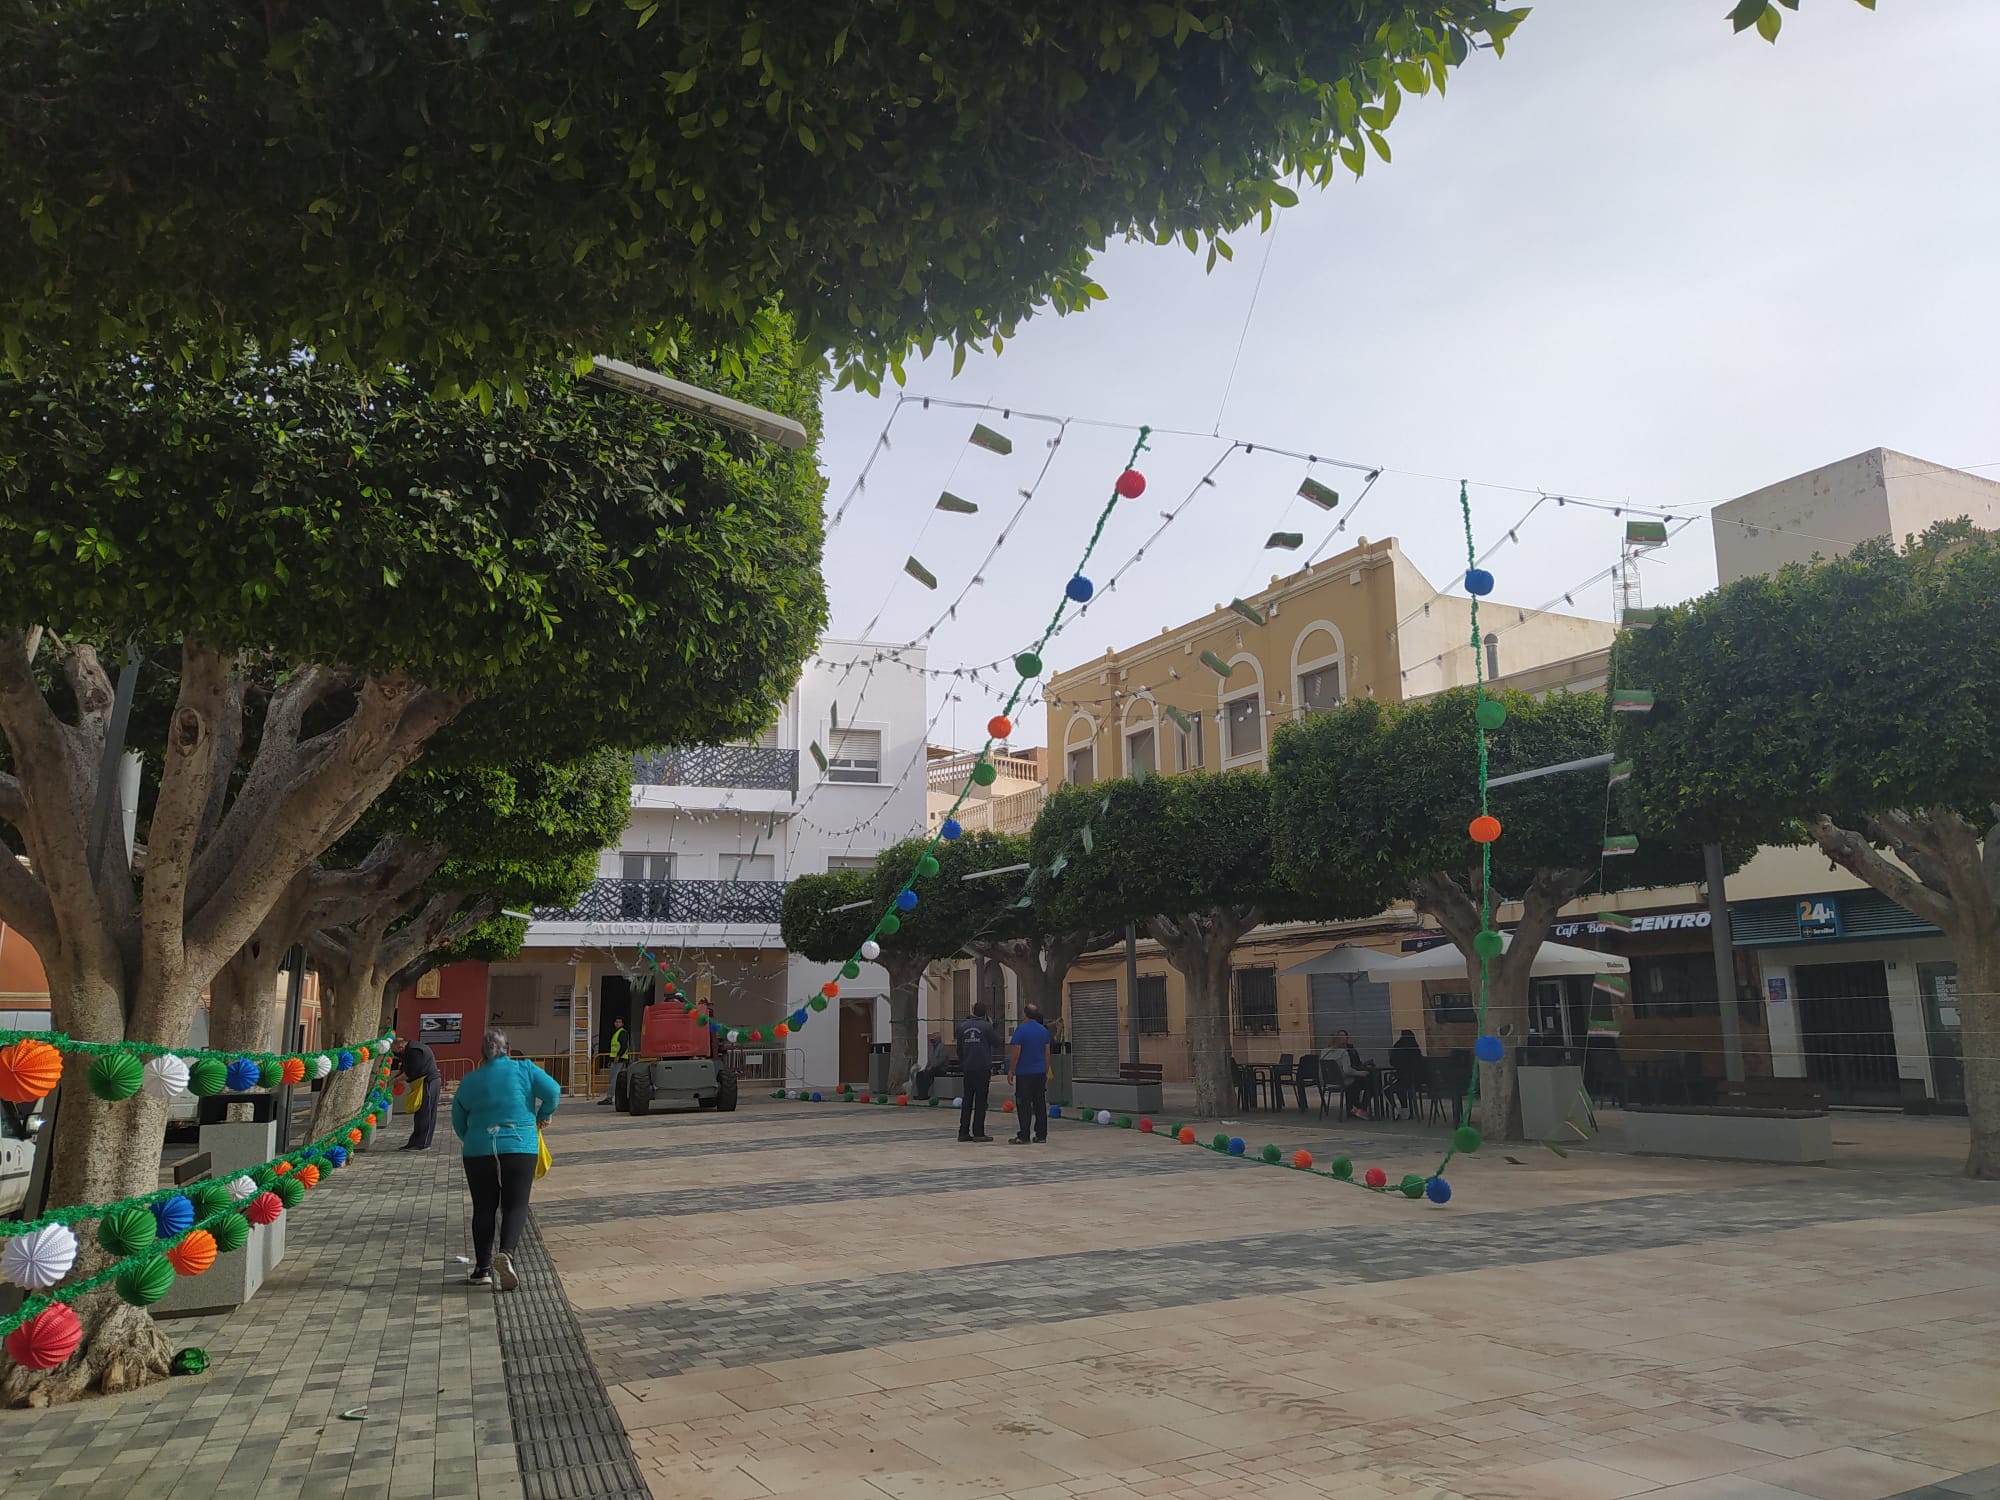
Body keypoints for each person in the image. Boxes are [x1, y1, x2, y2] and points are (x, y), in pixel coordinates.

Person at [451, 1027, 560, 1290]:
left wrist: (474, 1139)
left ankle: (482, 1269)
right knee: (515, 1205)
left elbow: (458, 1119)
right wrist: (543, 1114)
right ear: (508, 1050)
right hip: (520, 1146)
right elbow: (553, 1091)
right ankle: (507, 1254)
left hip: (479, 1150)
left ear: (482, 1055)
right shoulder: (525, 1070)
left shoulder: (470, 1080)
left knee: (484, 1207)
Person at [954, 1002, 999, 1143]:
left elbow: (959, 1049)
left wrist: (964, 1062)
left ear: (973, 1011)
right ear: (985, 1013)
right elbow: (997, 1042)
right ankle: (978, 1132)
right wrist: (991, 1025)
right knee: (980, 1101)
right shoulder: (986, 1027)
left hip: (968, 1068)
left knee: (967, 1100)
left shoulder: (962, 1026)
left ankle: (963, 1132)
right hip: (982, 1068)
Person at [1008, 1004, 1052, 1145]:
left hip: (1025, 1073)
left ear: (1025, 1014)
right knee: (1040, 1103)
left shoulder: (1021, 1030)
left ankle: (1024, 1135)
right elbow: (1047, 1052)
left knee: (1024, 1104)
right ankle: (1041, 1135)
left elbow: (1016, 1052)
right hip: (1039, 1072)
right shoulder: (1043, 1030)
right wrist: (1045, 1070)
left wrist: (1011, 1070)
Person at [393, 1034, 443, 1151]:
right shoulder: (409, 1050)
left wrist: (393, 1081)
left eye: (395, 1052)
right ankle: (414, 1142)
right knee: (420, 1114)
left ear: (400, 1047)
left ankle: (424, 1143)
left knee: (427, 1113)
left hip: (429, 1082)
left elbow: (410, 1072)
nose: (396, 1055)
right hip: (423, 1083)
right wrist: (394, 1078)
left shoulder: (415, 1051)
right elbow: (404, 1069)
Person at [1320, 1029, 1376, 1120]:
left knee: (1359, 1082)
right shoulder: (1342, 1052)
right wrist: (1361, 1073)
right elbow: (1347, 1071)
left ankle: (1354, 1108)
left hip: (1329, 1082)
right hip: (1344, 1080)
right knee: (1370, 1082)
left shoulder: (1323, 1052)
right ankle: (1360, 1109)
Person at [1389, 1029, 1425, 1118]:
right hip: (1417, 1081)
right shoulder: (1415, 1048)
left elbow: (1392, 1062)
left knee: (1388, 1089)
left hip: (1402, 1078)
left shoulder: (1398, 1046)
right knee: (1400, 1087)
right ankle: (1405, 1110)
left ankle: (1398, 1108)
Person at [598, 1015, 628, 1105]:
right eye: (616, 1022)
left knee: (614, 1079)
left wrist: (618, 1056)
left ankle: (610, 1097)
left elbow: (624, 1046)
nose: (617, 1023)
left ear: (622, 1023)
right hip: (618, 1059)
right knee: (619, 1080)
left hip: (619, 1060)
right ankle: (621, 1098)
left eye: (619, 1022)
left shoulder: (622, 1033)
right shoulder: (616, 1033)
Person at [914, 1031, 948, 1100]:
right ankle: (921, 1093)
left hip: (940, 1069)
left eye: (933, 1039)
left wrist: (931, 1068)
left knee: (928, 1074)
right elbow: (929, 1060)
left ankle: (924, 1095)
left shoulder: (942, 1047)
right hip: (932, 1069)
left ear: (938, 1039)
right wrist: (926, 1068)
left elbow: (940, 1061)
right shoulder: (932, 1048)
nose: (931, 1041)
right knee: (920, 1074)